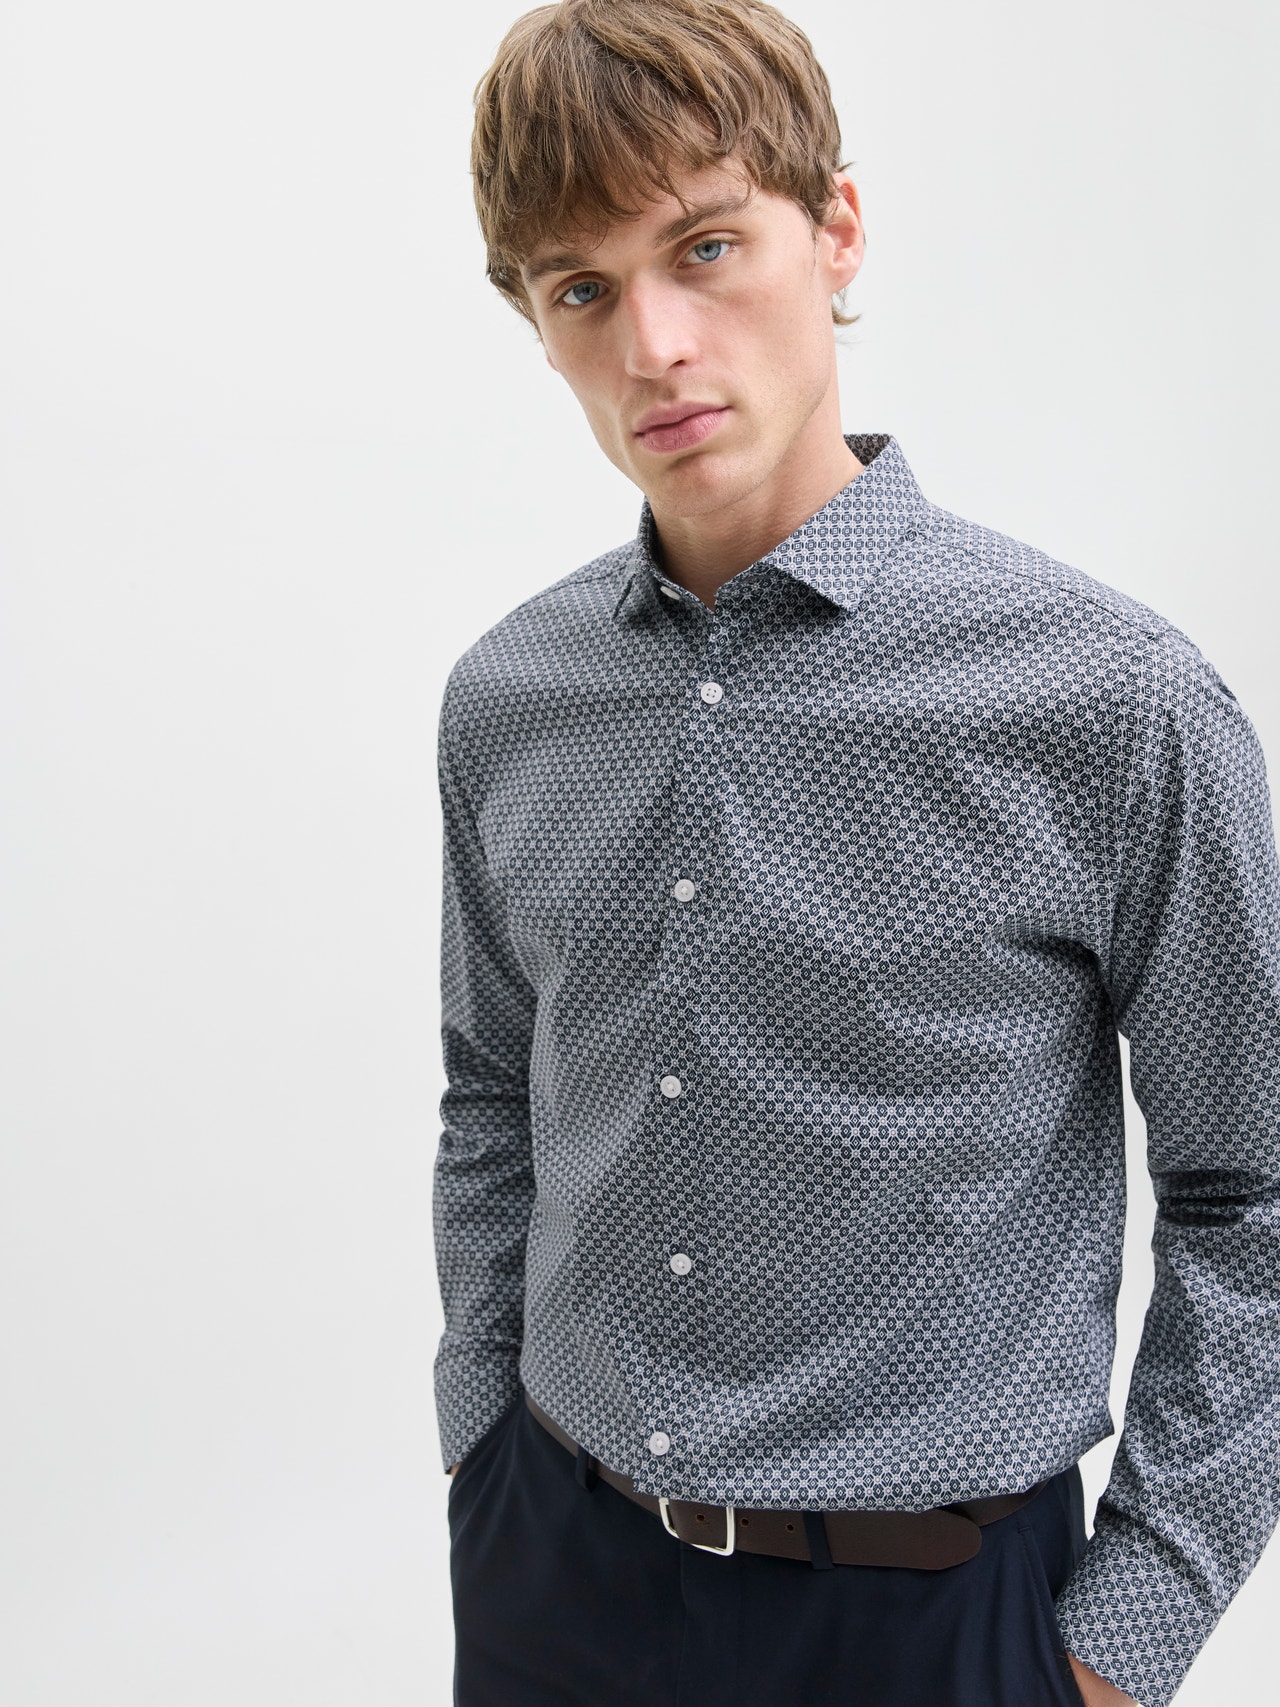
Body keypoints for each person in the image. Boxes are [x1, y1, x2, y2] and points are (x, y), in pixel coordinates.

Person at [431, 3, 1280, 1704]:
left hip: (938, 1624)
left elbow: (1249, 1194)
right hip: (554, 1578)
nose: (655, 344)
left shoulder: (1112, 700)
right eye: (582, 288)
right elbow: (492, 1100)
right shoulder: (508, 700)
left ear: (835, 229)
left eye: (706, 246)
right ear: (534, 321)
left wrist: (1121, 1641)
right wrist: (481, 1449)